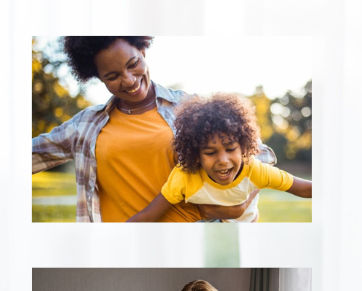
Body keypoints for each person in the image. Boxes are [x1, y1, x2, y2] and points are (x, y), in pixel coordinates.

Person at [31, 36, 275, 222]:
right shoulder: (85, 125)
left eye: (133, 63)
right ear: (98, 78)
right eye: (113, 75)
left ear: (143, 50)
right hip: (118, 247)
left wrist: (242, 200)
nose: (128, 80)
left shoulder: (188, 107)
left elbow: (261, 154)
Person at [127, 93, 312, 222]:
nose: (223, 160)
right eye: (210, 152)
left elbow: (303, 188)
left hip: (247, 225)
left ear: (243, 147)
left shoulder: (255, 169)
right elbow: (148, 215)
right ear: (196, 155)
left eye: (230, 149)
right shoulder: (184, 177)